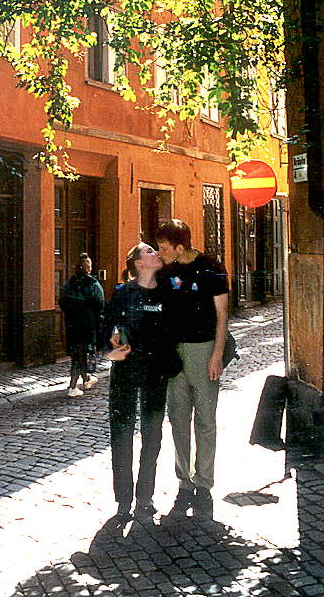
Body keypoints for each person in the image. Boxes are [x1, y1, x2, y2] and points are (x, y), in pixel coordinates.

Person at [101, 243, 182, 523]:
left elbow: (171, 332)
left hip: (154, 373)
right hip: (124, 373)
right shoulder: (122, 293)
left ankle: (145, 497)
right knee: (121, 437)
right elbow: (106, 326)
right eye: (149, 251)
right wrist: (109, 347)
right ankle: (123, 500)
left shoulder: (167, 292)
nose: (156, 253)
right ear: (137, 263)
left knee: (152, 437)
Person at [156, 219, 229, 518]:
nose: (160, 253)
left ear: (179, 247)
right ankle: (184, 483)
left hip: (204, 350)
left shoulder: (212, 267)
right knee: (178, 420)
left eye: (163, 248)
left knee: (206, 421)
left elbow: (223, 314)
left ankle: (204, 485)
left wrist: (217, 355)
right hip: (175, 354)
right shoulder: (166, 270)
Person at [59, 253, 105, 397]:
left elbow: (62, 301)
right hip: (87, 323)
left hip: (72, 323)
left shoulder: (69, 282)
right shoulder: (92, 284)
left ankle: (86, 380)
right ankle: (73, 386)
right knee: (82, 353)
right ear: (88, 268)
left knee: (77, 353)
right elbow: (100, 304)